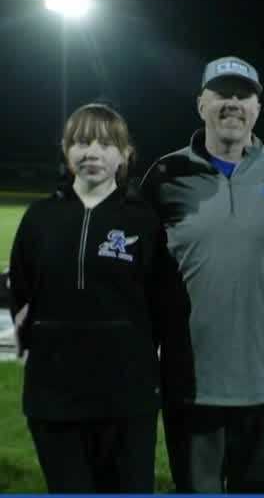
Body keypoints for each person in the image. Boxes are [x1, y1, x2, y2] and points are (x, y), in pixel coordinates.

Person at [141, 56, 264, 493]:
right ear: (201, 104)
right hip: (191, 380)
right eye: (222, 94)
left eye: (243, 95)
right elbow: (139, 275)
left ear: (257, 108)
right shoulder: (164, 176)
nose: (233, 104)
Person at [9, 103, 165, 492]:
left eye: (104, 143)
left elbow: (164, 303)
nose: (91, 152)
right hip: (53, 397)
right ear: (65, 150)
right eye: (80, 142)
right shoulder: (39, 218)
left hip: (127, 398)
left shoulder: (143, 220)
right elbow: (23, 295)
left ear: (125, 154)